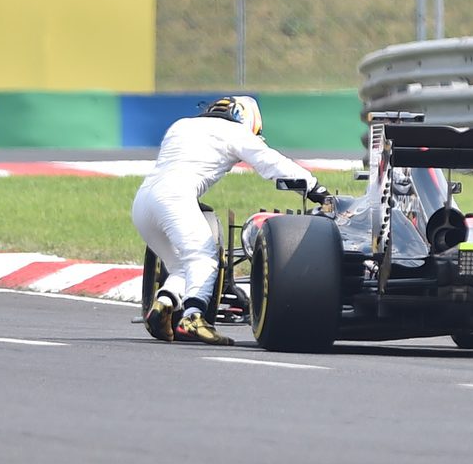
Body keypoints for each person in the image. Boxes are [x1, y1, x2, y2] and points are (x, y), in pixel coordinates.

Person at [132, 95, 330, 346]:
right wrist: (316, 190)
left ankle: (164, 303)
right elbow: (271, 163)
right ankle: (193, 317)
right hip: (175, 197)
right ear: (247, 120)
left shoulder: (180, 125)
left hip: (143, 202)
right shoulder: (236, 132)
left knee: (181, 265)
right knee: (204, 258)